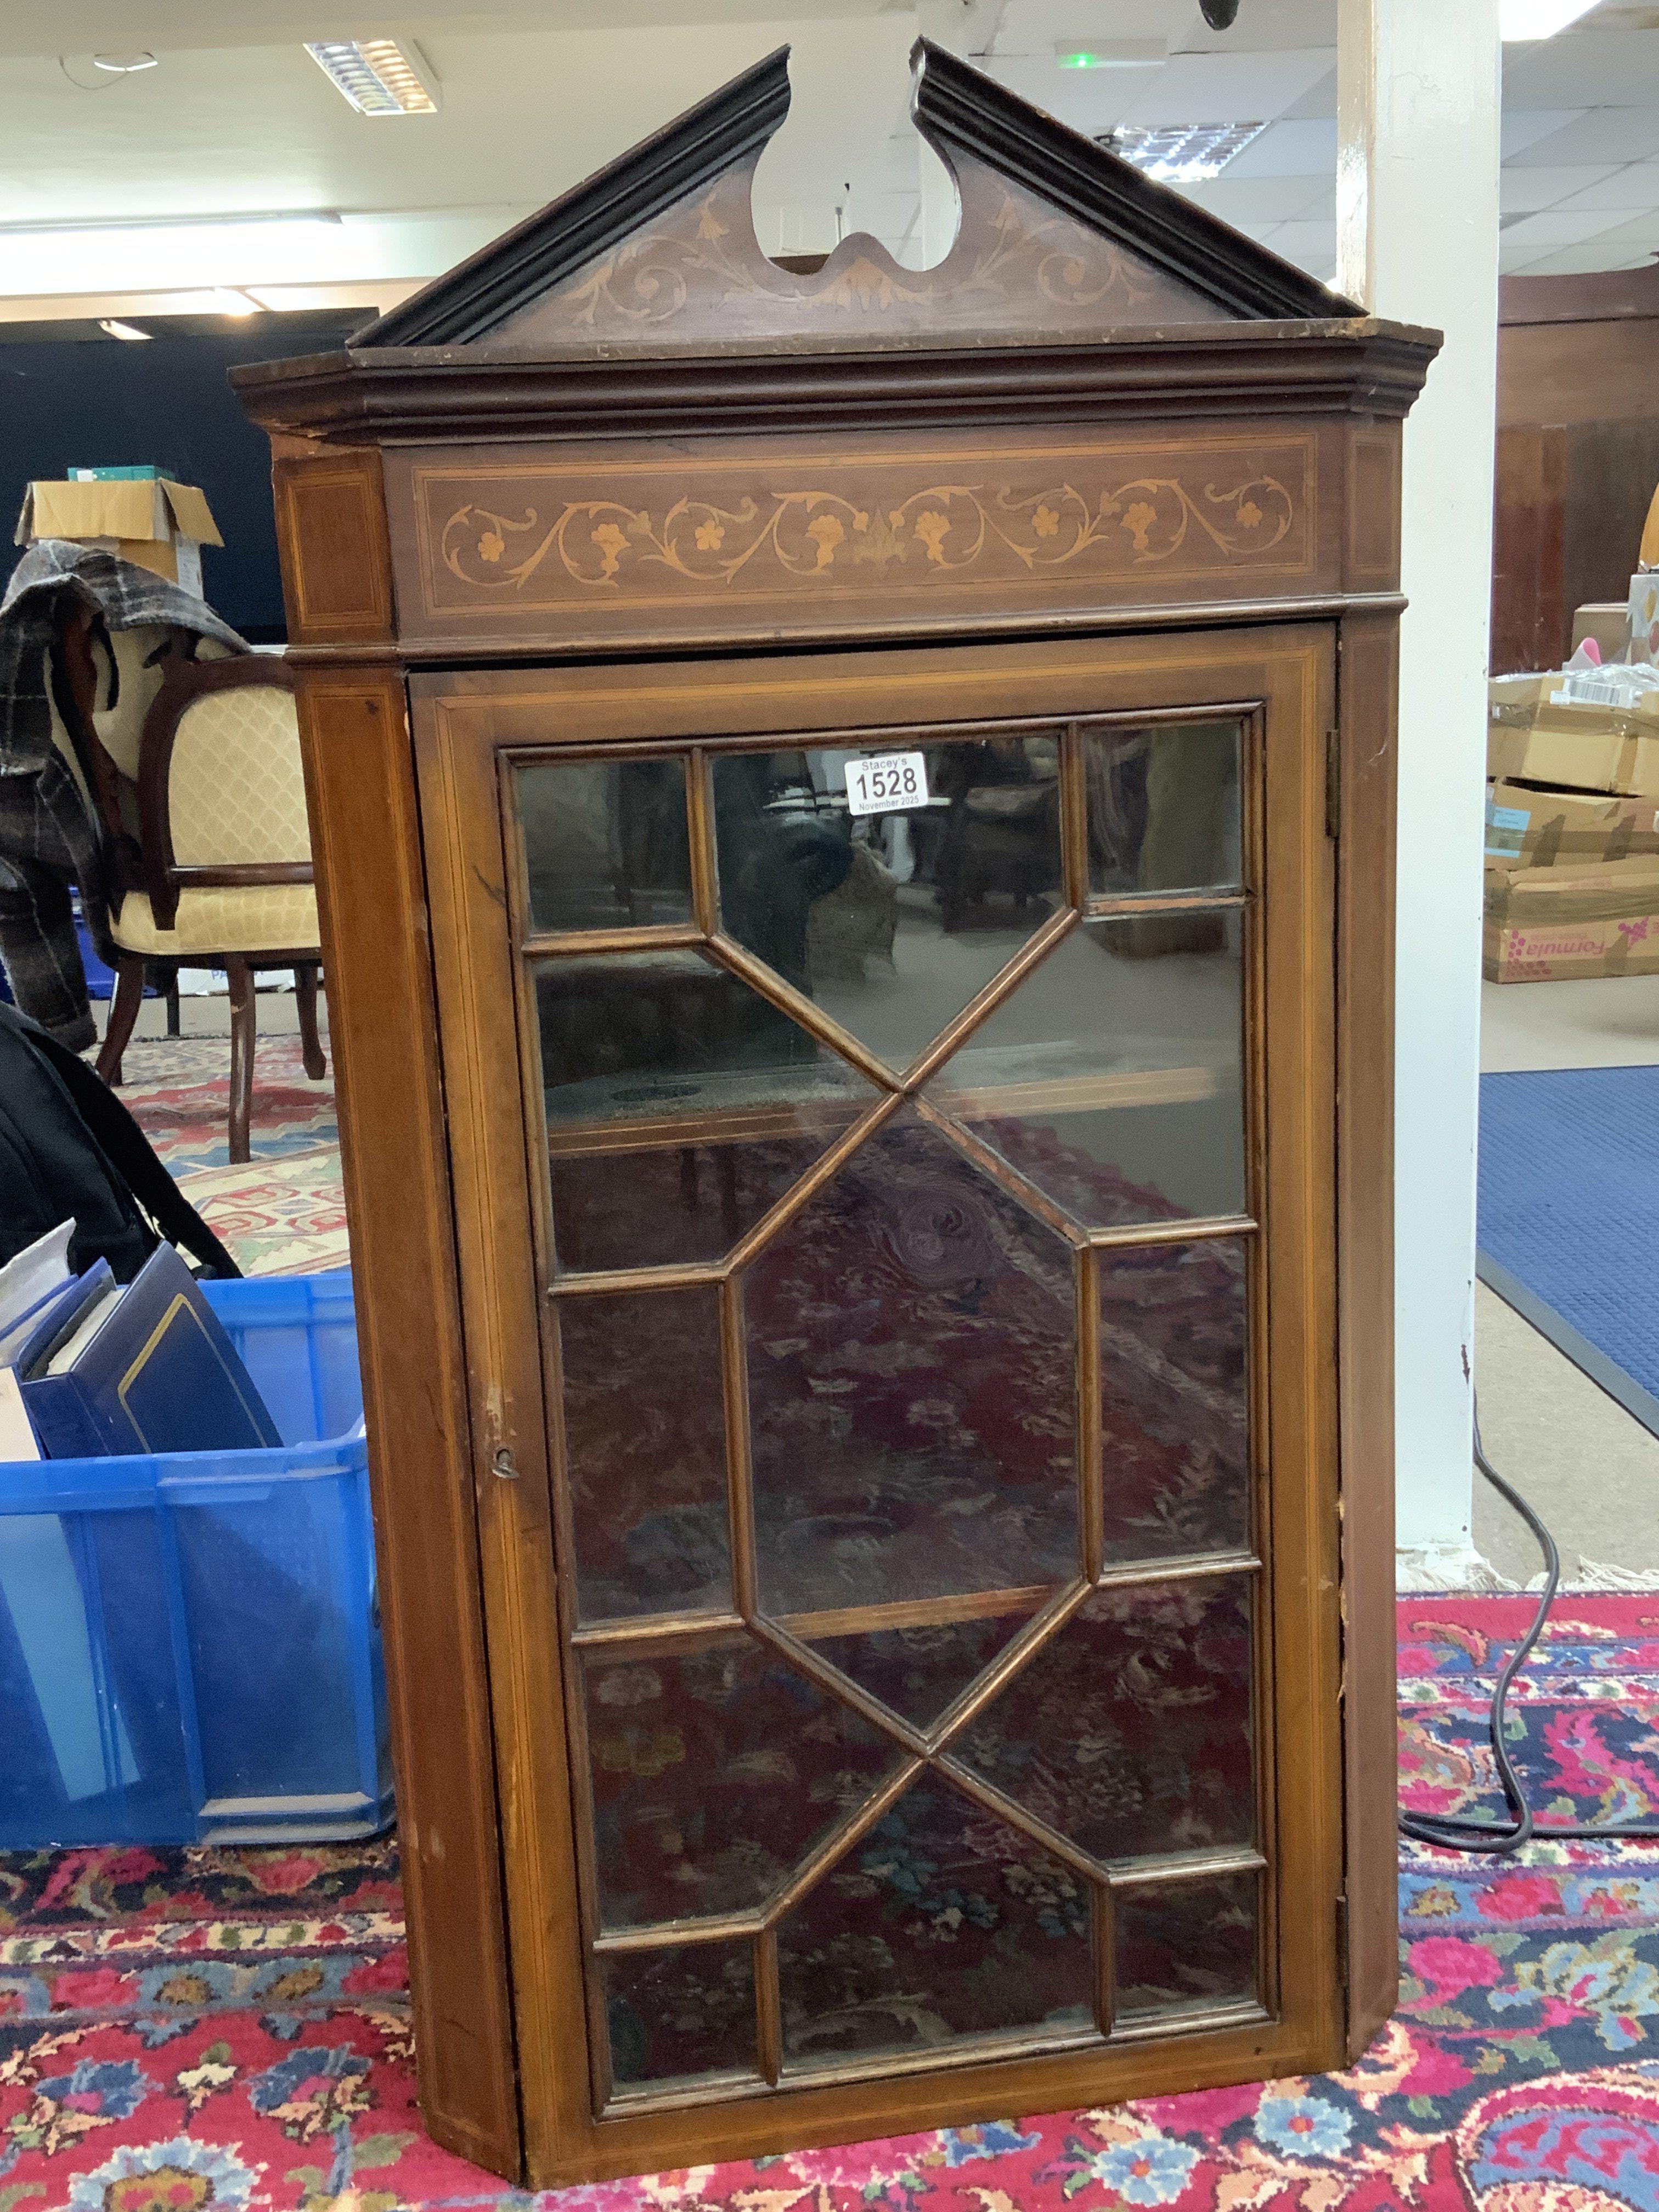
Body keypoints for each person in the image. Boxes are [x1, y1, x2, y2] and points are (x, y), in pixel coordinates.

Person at [0, 540, 244, 1052]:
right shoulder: (231, 665)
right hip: (286, 870)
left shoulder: (58, 665)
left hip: (144, 872)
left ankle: (58, 1040)